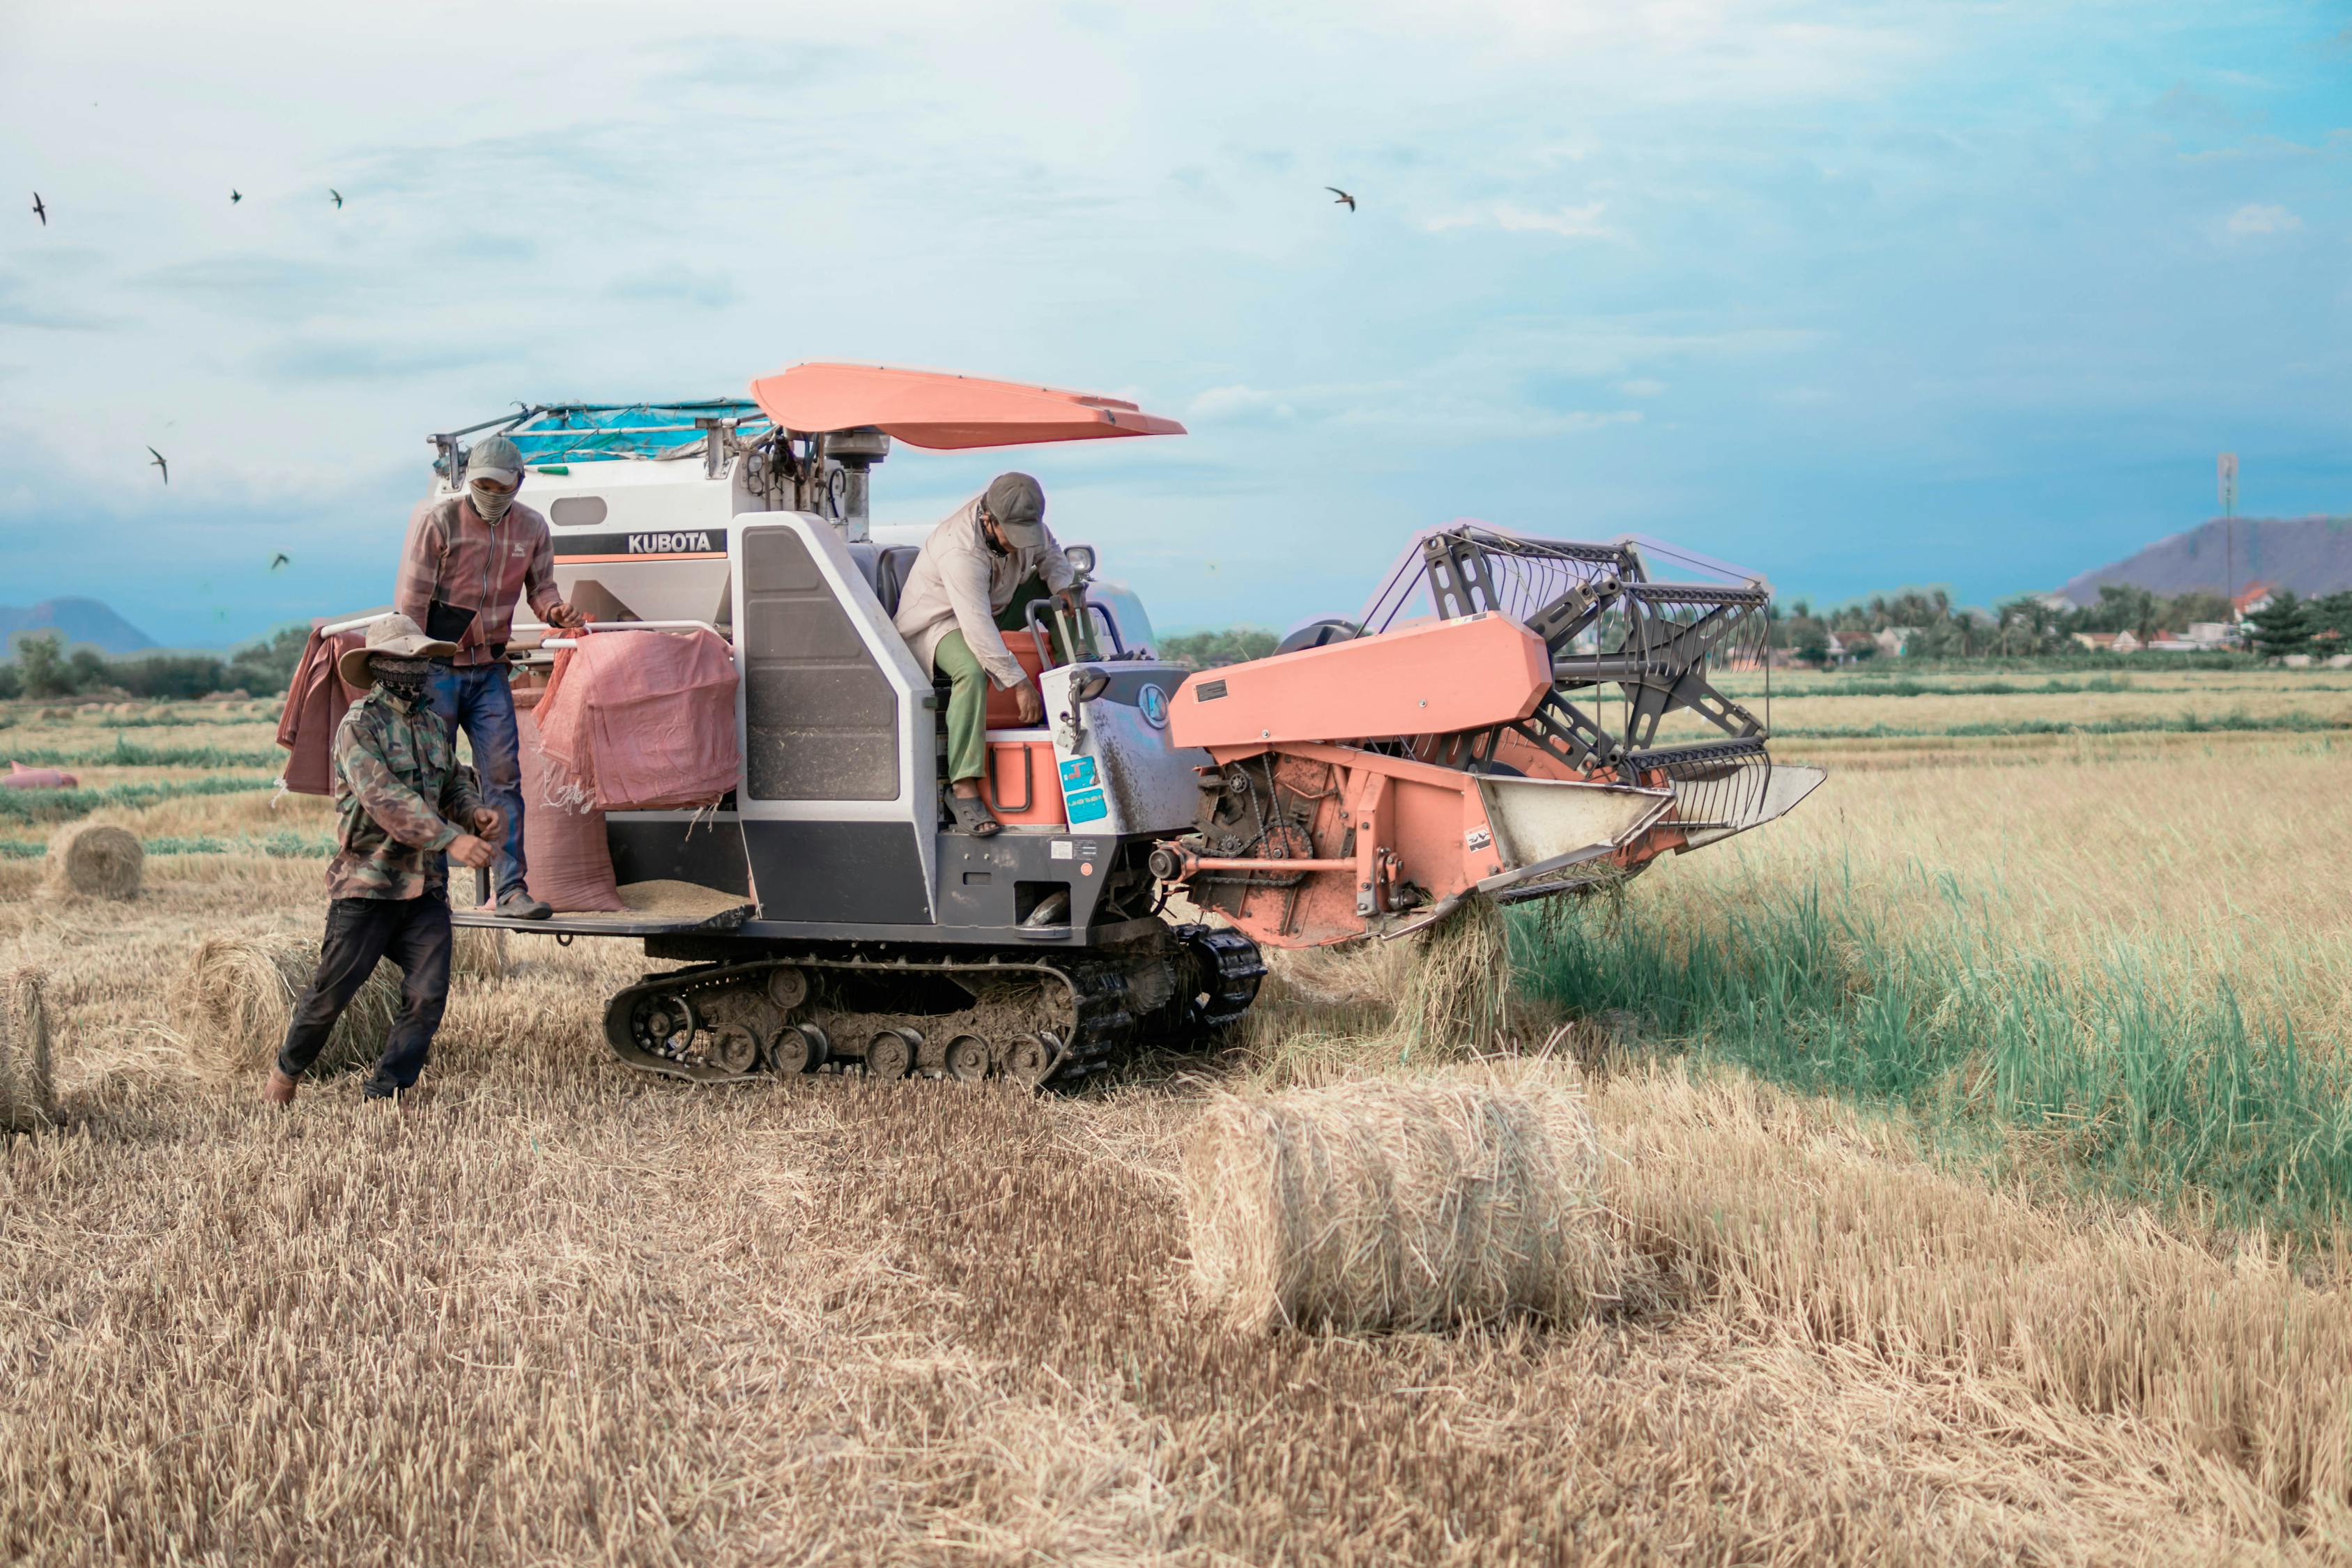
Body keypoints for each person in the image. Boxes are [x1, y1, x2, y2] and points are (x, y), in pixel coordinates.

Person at [263, 615, 501, 1106]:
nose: (416, 667)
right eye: (406, 659)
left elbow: (451, 783)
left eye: (421, 659)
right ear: (380, 666)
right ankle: (286, 1075)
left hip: (424, 888)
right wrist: (450, 838)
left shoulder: (433, 724)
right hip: (368, 886)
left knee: (428, 996)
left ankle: (385, 1092)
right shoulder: (358, 726)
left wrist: (473, 811)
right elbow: (386, 799)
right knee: (330, 995)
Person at [394, 431, 584, 918]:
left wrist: (556, 611)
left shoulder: (532, 528)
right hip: (437, 668)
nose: (492, 494)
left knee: (503, 778)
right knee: (430, 777)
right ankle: (427, 892)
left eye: (501, 487)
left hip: (490, 670)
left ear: (518, 483)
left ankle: (511, 891)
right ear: (470, 482)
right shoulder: (439, 522)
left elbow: (541, 590)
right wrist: (411, 669)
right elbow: (413, 601)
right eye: (483, 485)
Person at [891, 472, 1080, 836]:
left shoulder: (1026, 520)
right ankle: (963, 788)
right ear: (988, 519)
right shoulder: (959, 550)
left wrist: (1063, 586)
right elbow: (977, 628)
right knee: (972, 670)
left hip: (994, 604)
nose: (1020, 545)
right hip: (941, 622)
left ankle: (1074, 692)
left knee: (1067, 599)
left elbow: (1052, 554)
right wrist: (1020, 684)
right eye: (1012, 535)